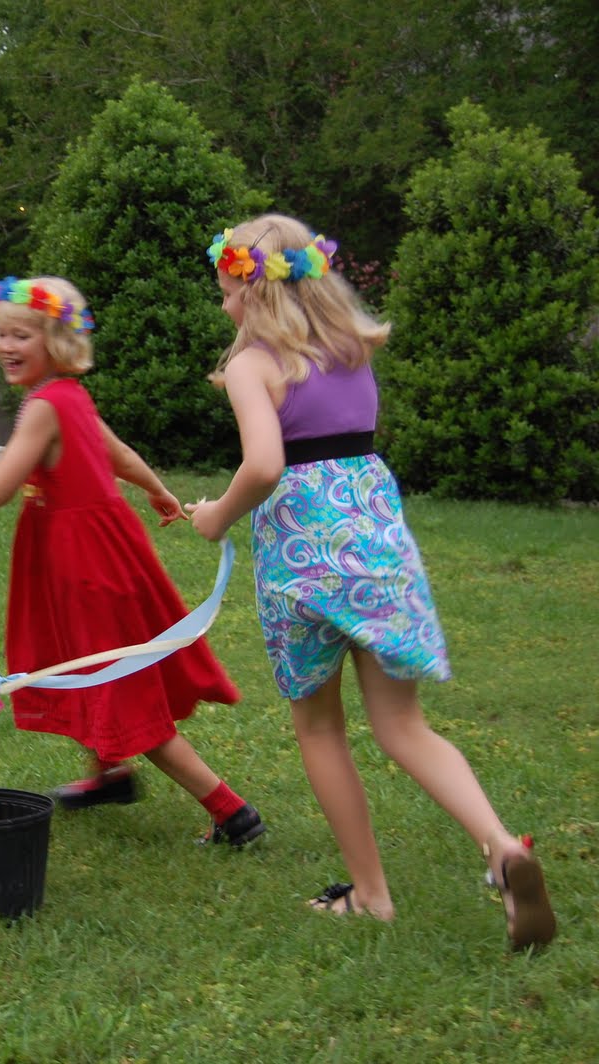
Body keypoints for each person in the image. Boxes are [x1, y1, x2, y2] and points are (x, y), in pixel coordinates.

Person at [187, 213, 555, 949]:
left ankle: (373, 894)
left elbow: (264, 465)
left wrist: (215, 517)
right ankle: (500, 845)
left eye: (228, 291)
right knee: (404, 727)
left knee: (321, 728)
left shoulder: (253, 366)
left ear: (256, 294)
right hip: (377, 557)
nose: (224, 305)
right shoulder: (354, 352)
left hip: (300, 563)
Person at [0, 276, 263, 847]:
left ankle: (230, 810)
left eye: (23, 335)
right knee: (83, 667)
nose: (6, 346)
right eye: (2, 334)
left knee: (122, 692)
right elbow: (119, 455)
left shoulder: (45, 405)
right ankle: (109, 775)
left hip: (85, 568)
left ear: (57, 342)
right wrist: (157, 489)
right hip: (94, 556)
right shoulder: (70, 396)